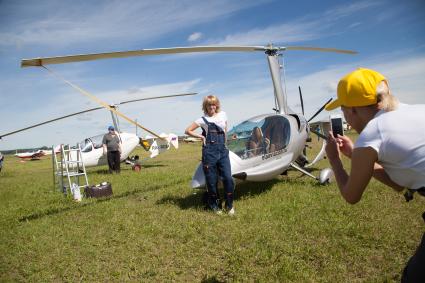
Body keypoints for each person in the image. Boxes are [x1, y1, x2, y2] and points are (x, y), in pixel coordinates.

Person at [324, 68, 425, 282]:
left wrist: (334, 160)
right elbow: (399, 184)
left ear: (352, 110)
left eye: (343, 112)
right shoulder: (417, 110)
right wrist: (354, 155)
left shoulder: (372, 133)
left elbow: (351, 196)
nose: (346, 121)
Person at [185, 95, 235, 215]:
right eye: (209, 104)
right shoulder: (202, 120)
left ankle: (229, 205)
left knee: (228, 178)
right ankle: (214, 205)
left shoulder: (223, 114)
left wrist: (226, 142)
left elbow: (225, 130)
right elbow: (187, 130)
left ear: (216, 105)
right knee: (211, 181)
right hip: (209, 152)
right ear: (205, 106)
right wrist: (201, 136)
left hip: (223, 151)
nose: (212, 106)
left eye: (213, 104)